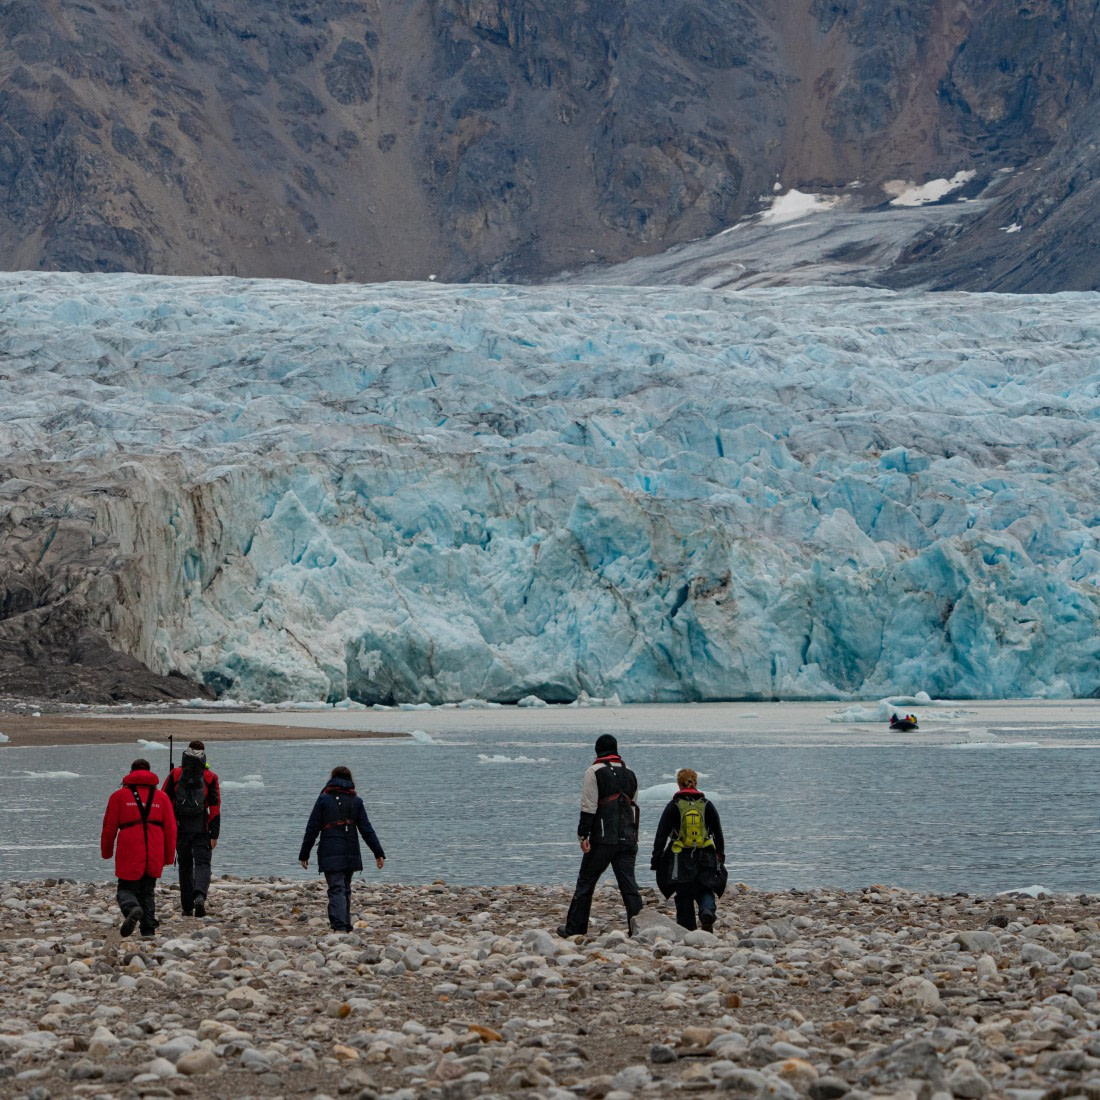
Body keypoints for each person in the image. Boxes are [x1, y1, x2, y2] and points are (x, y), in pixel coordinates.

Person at [558, 733, 643, 938]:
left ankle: (575, 928)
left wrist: (583, 835)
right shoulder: (630, 772)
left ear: (597, 750)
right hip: (628, 837)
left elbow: (589, 806)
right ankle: (639, 928)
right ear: (616, 750)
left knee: (586, 882)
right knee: (629, 884)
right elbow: (633, 803)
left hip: (603, 839)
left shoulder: (593, 771)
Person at [298, 766, 385, 933]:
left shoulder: (324, 799)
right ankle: (344, 924)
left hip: (330, 850)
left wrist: (304, 853)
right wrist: (378, 853)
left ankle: (339, 926)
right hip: (351, 850)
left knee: (336, 887)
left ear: (332, 778)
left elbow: (312, 828)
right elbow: (366, 829)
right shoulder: (356, 801)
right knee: (345, 887)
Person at [100, 758, 177, 938]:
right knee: (148, 891)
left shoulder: (118, 796)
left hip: (130, 847)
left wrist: (106, 852)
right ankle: (148, 929)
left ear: (131, 772)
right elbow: (171, 828)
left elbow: (109, 827)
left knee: (126, 888)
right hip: (155, 846)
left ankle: (132, 908)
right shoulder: (162, 797)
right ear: (150, 772)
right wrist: (168, 856)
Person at [650, 768, 726, 932]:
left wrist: (656, 859)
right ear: (695, 783)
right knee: (706, 887)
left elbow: (661, 835)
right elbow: (718, 832)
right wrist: (720, 855)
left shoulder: (674, 805)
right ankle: (706, 912)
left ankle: (687, 928)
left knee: (683, 892)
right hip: (705, 854)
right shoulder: (706, 804)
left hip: (680, 858)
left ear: (679, 784)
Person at [162, 739, 221, 918]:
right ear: (204, 754)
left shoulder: (176, 773)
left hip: (179, 828)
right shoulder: (210, 776)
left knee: (185, 865)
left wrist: (167, 828)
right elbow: (215, 807)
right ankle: (200, 897)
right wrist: (214, 833)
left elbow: (164, 800)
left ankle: (187, 907)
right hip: (201, 828)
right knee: (203, 863)